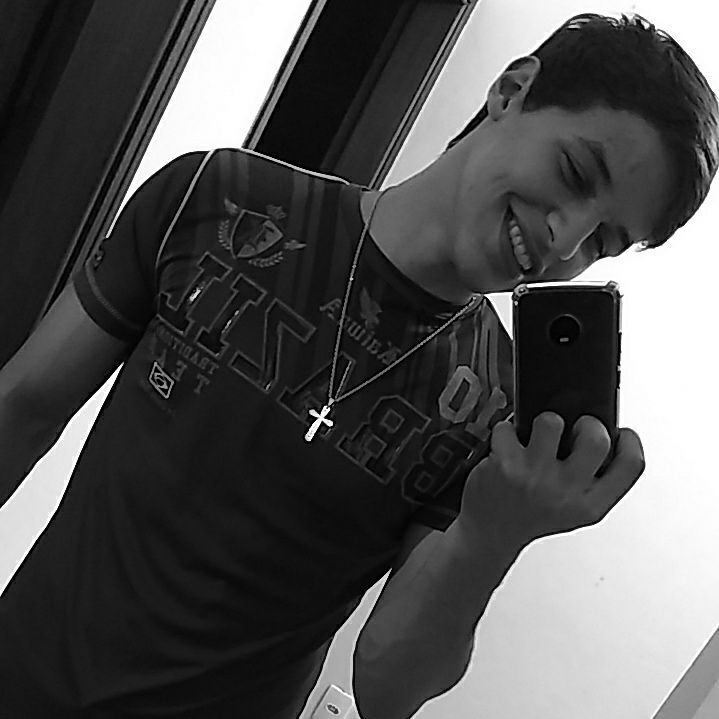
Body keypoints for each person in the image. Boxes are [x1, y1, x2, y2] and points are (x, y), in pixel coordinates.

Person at [0, 11, 716, 719]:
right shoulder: (218, 195)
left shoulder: (502, 411)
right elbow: (26, 403)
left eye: (602, 242)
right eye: (574, 172)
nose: (565, 239)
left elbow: (386, 690)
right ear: (511, 90)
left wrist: (494, 534)